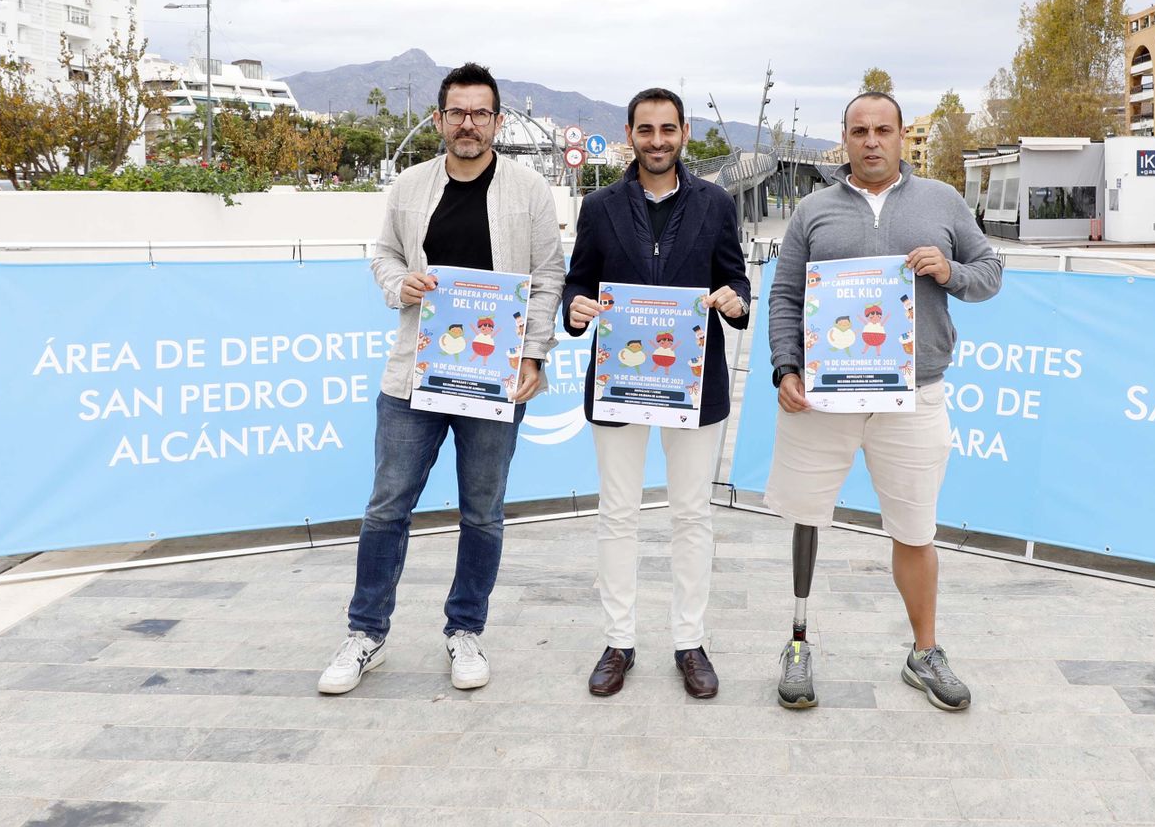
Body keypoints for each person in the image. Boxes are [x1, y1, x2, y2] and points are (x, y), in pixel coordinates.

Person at [318, 62, 565, 695]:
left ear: (497, 121)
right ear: (439, 119)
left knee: (482, 513)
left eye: (480, 113)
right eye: (457, 112)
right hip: (414, 378)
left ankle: (466, 631)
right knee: (387, 507)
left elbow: (548, 277)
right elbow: (384, 254)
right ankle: (365, 633)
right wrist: (399, 283)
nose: (468, 123)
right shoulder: (409, 186)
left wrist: (534, 354)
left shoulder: (530, 191)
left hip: (495, 378)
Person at [765, 90, 1002, 711]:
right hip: (824, 396)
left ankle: (925, 652)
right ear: (844, 138)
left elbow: (990, 272)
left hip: (913, 395)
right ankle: (798, 642)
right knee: (806, 515)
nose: (871, 140)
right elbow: (785, 295)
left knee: (915, 529)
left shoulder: (942, 201)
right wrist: (786, 366)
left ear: (900, 137)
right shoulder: (813, 210)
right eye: (859, 130)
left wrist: (950, 271)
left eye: (884, 130)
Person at [562, 87, 750, 699]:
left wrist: (736, 301)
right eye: (646, 130)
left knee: (691, 514)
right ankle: (618, 641)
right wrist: (575, 309)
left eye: (668, 129)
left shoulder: (716, 203)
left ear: (685, 133)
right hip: (620, 382)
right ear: (630, 135)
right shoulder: (599, 206)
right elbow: (576, 283)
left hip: (693, 384)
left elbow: (736, 278)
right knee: (617, 514)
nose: (658, 140)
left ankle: (689, 641)